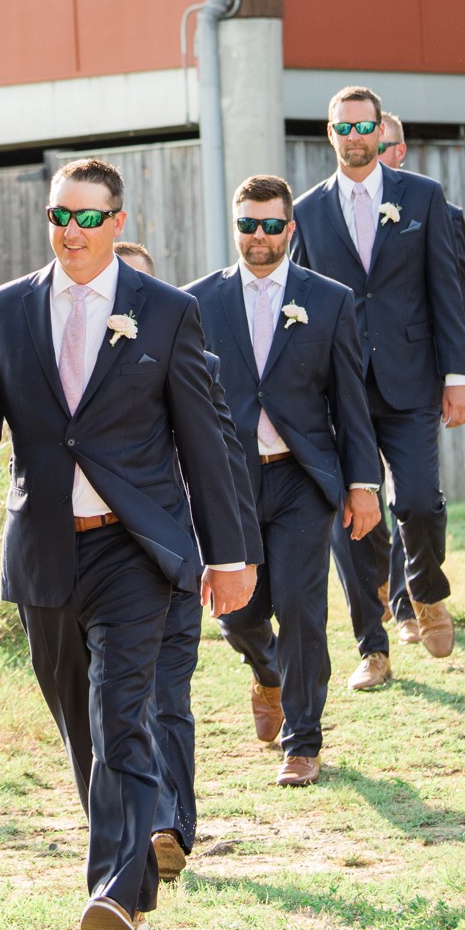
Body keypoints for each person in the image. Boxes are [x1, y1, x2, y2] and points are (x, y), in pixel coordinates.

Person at [0, 158, 253, 930]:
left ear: (116, 221)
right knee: (77, 718)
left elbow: (205, 440)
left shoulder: (166, 313)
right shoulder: (6, 310)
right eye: (58, 215)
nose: (70, 231)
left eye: (86, 216)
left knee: (119, 717)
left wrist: (230, 551)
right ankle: (132, 871)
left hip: (134, 546)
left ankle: (113, 891)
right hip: (43, 547)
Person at [187, 176, 382, 786]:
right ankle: (267, 674)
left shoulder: (328, 299)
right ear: (235, 226)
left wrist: (363, 485)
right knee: (238, 613)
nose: (260, 236)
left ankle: (303, 739)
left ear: (290, 228)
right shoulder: (196, 303)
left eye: (272, 225)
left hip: (302, 476)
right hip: (230, 483)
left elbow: (351, 401)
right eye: (249, 224)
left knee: (301, 606)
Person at [290, 83, 465, 689]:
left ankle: (425, 587)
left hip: (411, 379)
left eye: (364, 126)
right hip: (339, 389)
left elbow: (446, 289)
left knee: (419, 499)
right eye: (343, 127)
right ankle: (373, 646)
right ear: (331, 134)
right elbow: (304, 301)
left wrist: (458, 375)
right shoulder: (308, 211)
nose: (354, 137)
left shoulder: (422, 197)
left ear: (380, 132)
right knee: (351, 519)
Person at [113, 236, 260, 882]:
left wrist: (231, 552)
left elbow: (222, 455)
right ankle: (144, 821)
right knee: (121, 697)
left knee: (166, 691)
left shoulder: (193, 359)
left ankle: (170, 823)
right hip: (97, 559)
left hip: (175, 551)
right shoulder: (68, 365)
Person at [366, 115, 465, 644]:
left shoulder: (435, 208)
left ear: (399, 149)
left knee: (413, 495)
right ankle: (389, 601)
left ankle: (409, 599)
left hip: (412, 376)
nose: (381, 151)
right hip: (354, 380)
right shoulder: (326, 211)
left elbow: (459, 294)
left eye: (388, 143)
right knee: (363, 502)